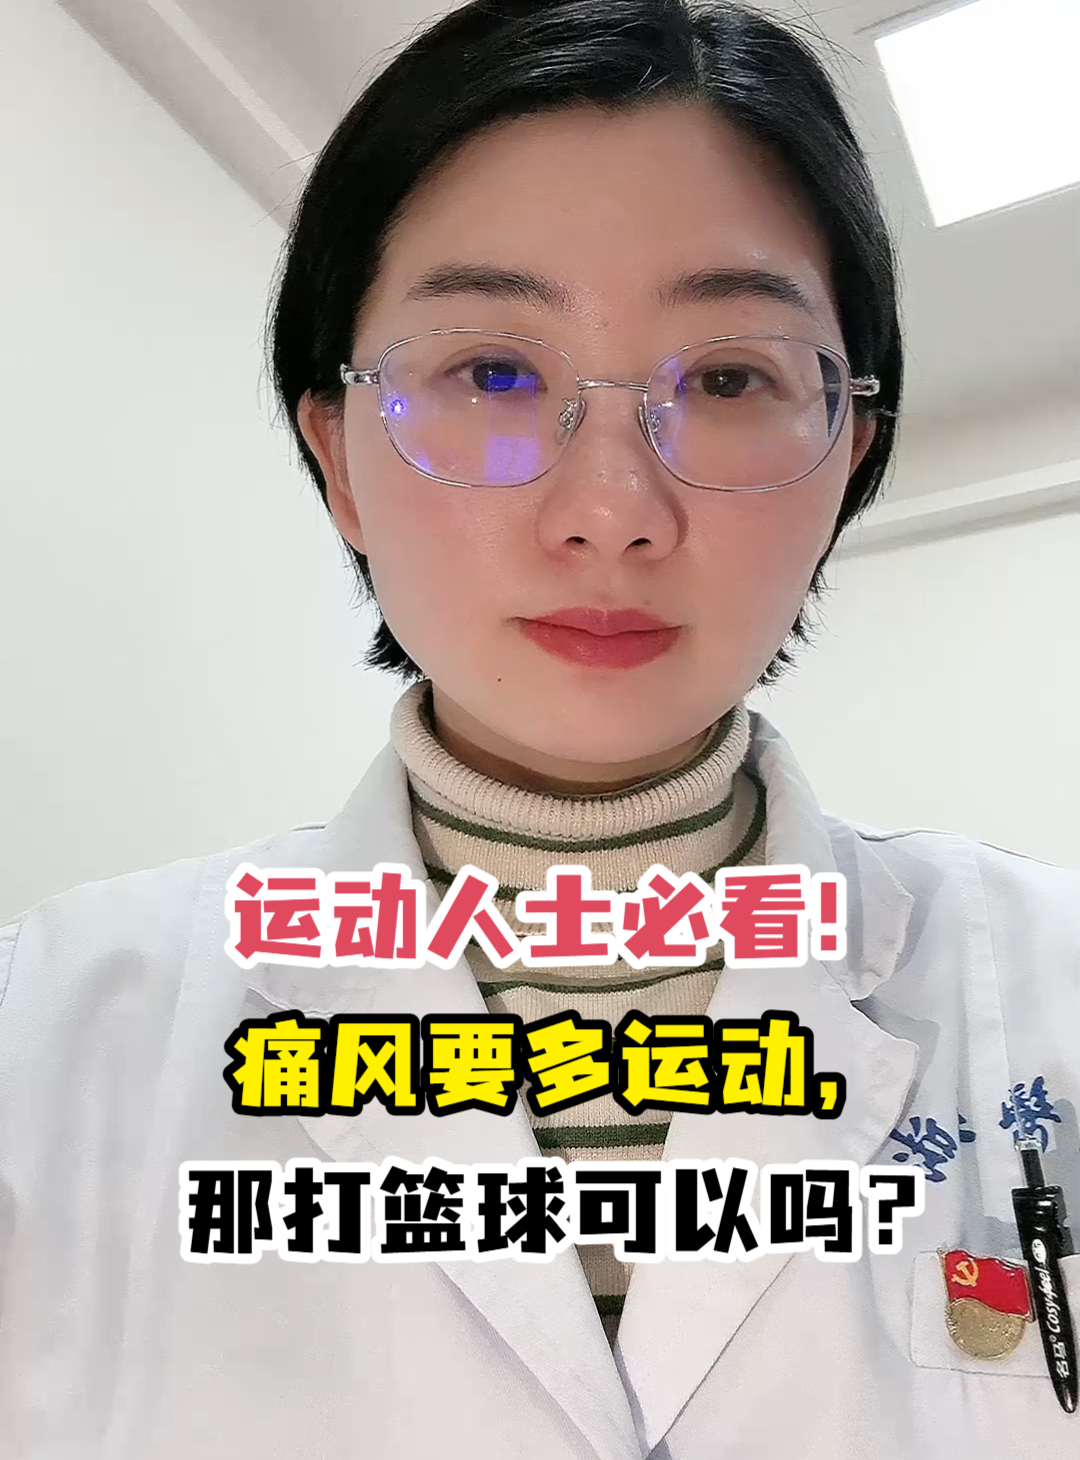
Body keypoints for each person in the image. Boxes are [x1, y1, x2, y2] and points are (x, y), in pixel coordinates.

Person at [0, 0, 1076, 1455]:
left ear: (847, 459)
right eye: (494, 374)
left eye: (730, 378)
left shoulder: (1052, 989)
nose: (612, 514)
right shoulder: (41, 1039)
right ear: (339, 458)